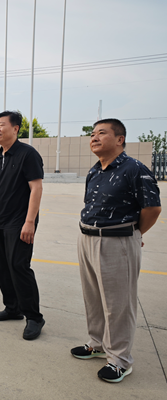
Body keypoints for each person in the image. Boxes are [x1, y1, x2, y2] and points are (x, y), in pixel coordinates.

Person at [71, 119, 161, 383]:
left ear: (120, 139)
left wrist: (135, 233)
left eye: (102, 133)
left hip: (116, 241)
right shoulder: (95, 170)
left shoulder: (134, 169)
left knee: (118, 304)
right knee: (94, 298)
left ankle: (120, 360)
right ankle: (97, 344)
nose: (94, 137)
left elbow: (152, 208)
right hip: (88, 238)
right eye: (92, 134)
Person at [0, 111, 45, 340]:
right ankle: (12, 308)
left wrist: (30, 222)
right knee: (1, 266)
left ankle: (34, 317)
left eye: (2, 125)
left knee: (19, 266)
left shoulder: (27, 154)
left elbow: (36, 188)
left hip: (19, 222)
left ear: (16, 128)